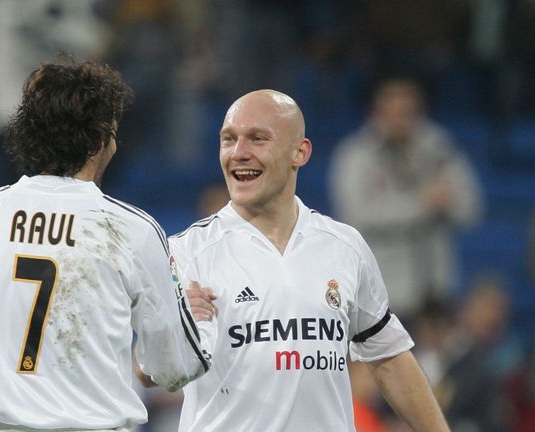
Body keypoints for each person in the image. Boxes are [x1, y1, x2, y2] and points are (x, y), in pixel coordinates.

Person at [0, 60, 215, 432]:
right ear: (99, 141)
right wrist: (200, 324)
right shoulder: (132, 231)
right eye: (112, 132)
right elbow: (173, 368)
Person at [167, 90, 449, 430]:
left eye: (257, 139)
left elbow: (388, 357)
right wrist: (174, 328)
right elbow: (147, 369)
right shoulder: (185, 252)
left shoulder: (344, 247)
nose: (239, 153)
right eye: (229, 140)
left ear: (299, 152)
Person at [329, 78, 483, 320]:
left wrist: (447, 202)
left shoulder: (439, 148)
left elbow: (470, 209)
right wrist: (421, 205)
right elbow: (355, 217)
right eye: (392, 112)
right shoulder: (355, 156)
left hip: (436, 290)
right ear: (375, 113)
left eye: (408, 112)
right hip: (382, 293)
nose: (400, 121)